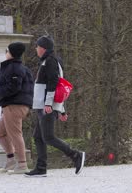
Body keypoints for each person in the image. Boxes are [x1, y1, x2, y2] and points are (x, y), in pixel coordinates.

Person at [25, 35, 85, 177]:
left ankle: (76, 155)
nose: (36, 49)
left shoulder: (50, 61)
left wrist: (48, 104)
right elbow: (60, 87)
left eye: (38, 46)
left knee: (48, 137)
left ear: (43, 48)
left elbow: (54, 83)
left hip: (46, 106)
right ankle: (40, 168)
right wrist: (62, 110)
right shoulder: (48, 61)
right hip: (44, 106)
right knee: (38, 137)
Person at [0, 42, 34, 174]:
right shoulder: (13, 67)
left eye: (6, 50)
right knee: (1, 133)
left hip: (15, 105)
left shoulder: (15, 68)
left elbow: (14, 87)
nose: (5, 53)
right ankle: (11, 160)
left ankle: (22, 164)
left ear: (12, 53)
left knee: (15, 134)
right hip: (10, 105)